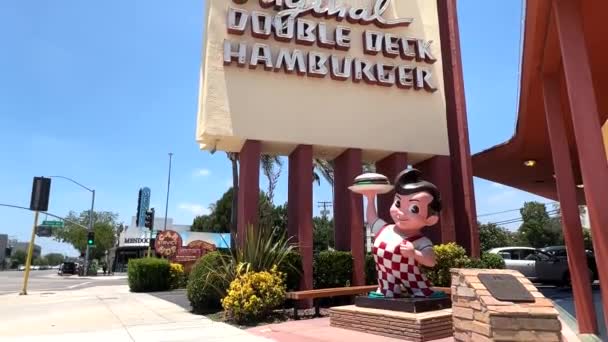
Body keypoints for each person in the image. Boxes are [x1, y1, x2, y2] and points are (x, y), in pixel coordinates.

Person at [362, 168, 443, 298]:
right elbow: (372, 219)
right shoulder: (385, 229)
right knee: (386, 293)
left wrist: (414, 253)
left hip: (411, 276)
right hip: (385, 277)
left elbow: (431, 261)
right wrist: (370, 198)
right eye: (398, 203)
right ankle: (386, 291)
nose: (401, 212)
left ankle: (423, 292)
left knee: (421, 292)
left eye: (413, 208)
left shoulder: (420, 241)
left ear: (431, 219)